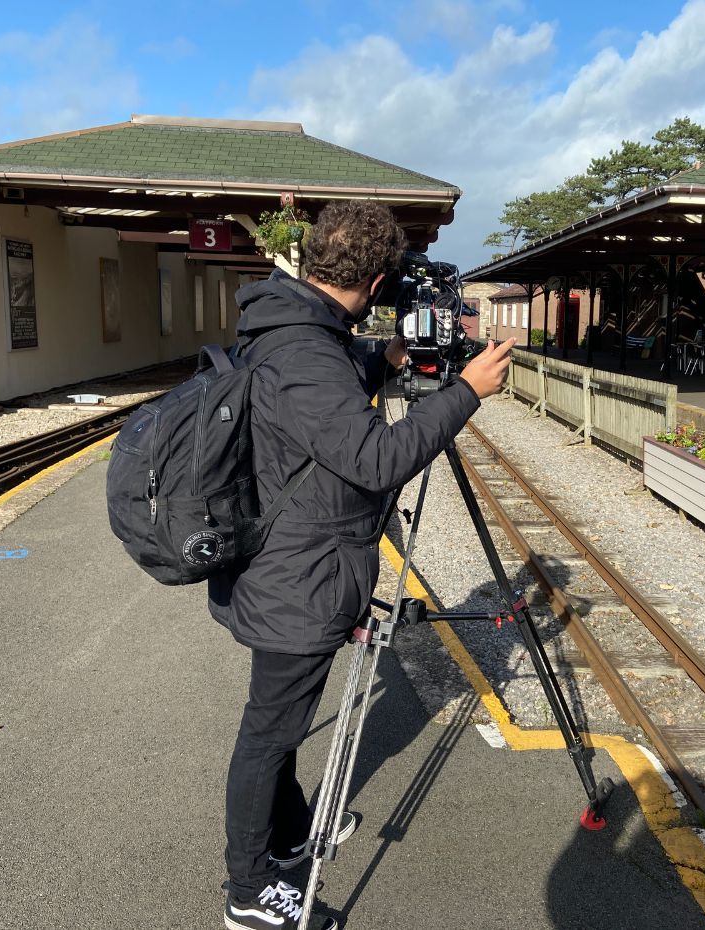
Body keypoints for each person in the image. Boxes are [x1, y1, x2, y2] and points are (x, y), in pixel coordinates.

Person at [208, 199, 516, 930]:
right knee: (269, 736)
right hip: (298, 576)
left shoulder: (297, 326)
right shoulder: (307, 352)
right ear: (377, 284)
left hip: (289, 562)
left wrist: (388, 359)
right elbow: (376, 459)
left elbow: (325, 395)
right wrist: (467, 392)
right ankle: (249, 893)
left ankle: (285, 841)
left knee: (276, 725)